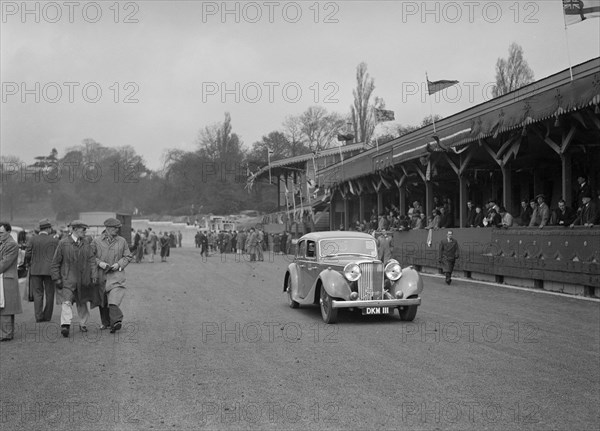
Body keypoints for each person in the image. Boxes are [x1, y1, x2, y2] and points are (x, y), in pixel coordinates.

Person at [50, 220, 98, 337]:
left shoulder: (87, 242)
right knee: (66, 301)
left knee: (82, 301)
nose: (85, 231)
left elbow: (92, 260)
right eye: (83, 229)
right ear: (75, 229)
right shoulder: (63, 243)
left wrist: (94, 275)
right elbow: (55, 262)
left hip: (83, 278)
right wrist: (57, 278)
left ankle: (83, 323)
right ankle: (65, 325)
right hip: (68, 278)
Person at [93, 218, 133, 333]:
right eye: (115, 228)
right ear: (107, 228)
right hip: (101, 275)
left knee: (114, 300)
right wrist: (99, 263)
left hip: (116, 275)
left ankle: (116, 321)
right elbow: (90, 256)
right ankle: (105, 323)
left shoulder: (122, 241)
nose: (117, 230)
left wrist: (119, 264)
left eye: (118, 228)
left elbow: (128, 256)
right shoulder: (96, 241)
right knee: (103, 301)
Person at [24, 218, 59, 322]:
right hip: (50, 271)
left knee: (38, 293)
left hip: (35, 270)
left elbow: (28, 253)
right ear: (48, 229)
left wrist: (28, 263)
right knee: (50, 294)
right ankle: (47, 316)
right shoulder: (54, 240)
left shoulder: (32, 239)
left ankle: (38, 316)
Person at [0, 222, 23, 341]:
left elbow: (5, 263)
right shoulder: (4, 243)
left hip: (6, 278)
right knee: (5, 307)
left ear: (8, 232)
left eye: (1, 233)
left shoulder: (11, 244)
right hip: (4, 278)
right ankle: (7, 333)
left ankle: (6, 334)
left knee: (6, 308)